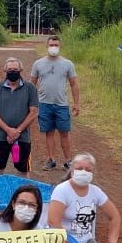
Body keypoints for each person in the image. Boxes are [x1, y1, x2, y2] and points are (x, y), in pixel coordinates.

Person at [30, 35, 81, 171]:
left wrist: (76, 103)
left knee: (64, 133)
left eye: (56, 45)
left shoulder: (67, 64)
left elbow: (74, 84)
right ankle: (51, 159)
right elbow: (32, 84)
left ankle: (68, 161)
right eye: (51, 45)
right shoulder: (38, 64)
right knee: (49, 132)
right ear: (46, 46)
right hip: (44, 103)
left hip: (61, 104)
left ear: (60, 46)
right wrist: (31, 103)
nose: (54, 47)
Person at [0, 57, 38, 177]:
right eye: (10, 69)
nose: (13, 72)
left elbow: (33, 112)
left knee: (23, 169)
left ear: (21, 70)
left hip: (22, 137)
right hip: (1, 136)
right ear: (4, 70)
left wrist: (18, 131)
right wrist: (8, 130)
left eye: (15, 69)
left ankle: (23, 194)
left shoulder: (30, 88)